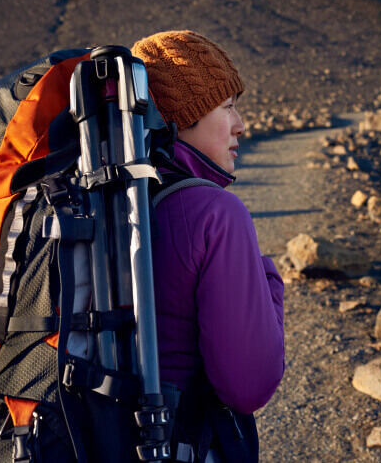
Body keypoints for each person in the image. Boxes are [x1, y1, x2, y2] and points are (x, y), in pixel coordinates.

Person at [131, 31, 285, 462]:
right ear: (181, 118)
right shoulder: (216, 213)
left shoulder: (113, 204)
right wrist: (269, 279)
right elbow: (249, 386)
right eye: (228, 106)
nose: (240, 125)